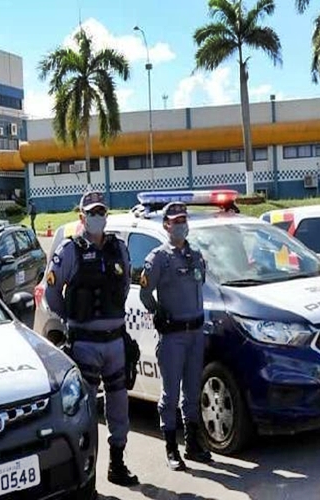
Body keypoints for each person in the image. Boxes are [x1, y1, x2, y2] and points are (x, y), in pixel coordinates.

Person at [43, 191, 138, 487]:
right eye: (92, 213)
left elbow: (123, 287)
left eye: (101, 212)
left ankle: (117, 463)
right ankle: (88, 473)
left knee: (119, 405)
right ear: (82, 217)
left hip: (115, 342)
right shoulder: (70, 251)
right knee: (84, 412)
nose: (97, 217)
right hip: (84, 344)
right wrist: (72, 318)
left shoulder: (117, 249)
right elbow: (51, 293)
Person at [139, 202, 212, 471]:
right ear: (166, 225)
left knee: (192, 392)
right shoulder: (159, 258)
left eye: (183, 219)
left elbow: (201, 283)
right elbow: (146, 293)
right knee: (170, 395)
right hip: (173, 336)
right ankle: (171, 448)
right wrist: (159, 312)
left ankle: (192, 444)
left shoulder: (195, 255)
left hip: (195, 333)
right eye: (175, 220)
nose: (181, 224)